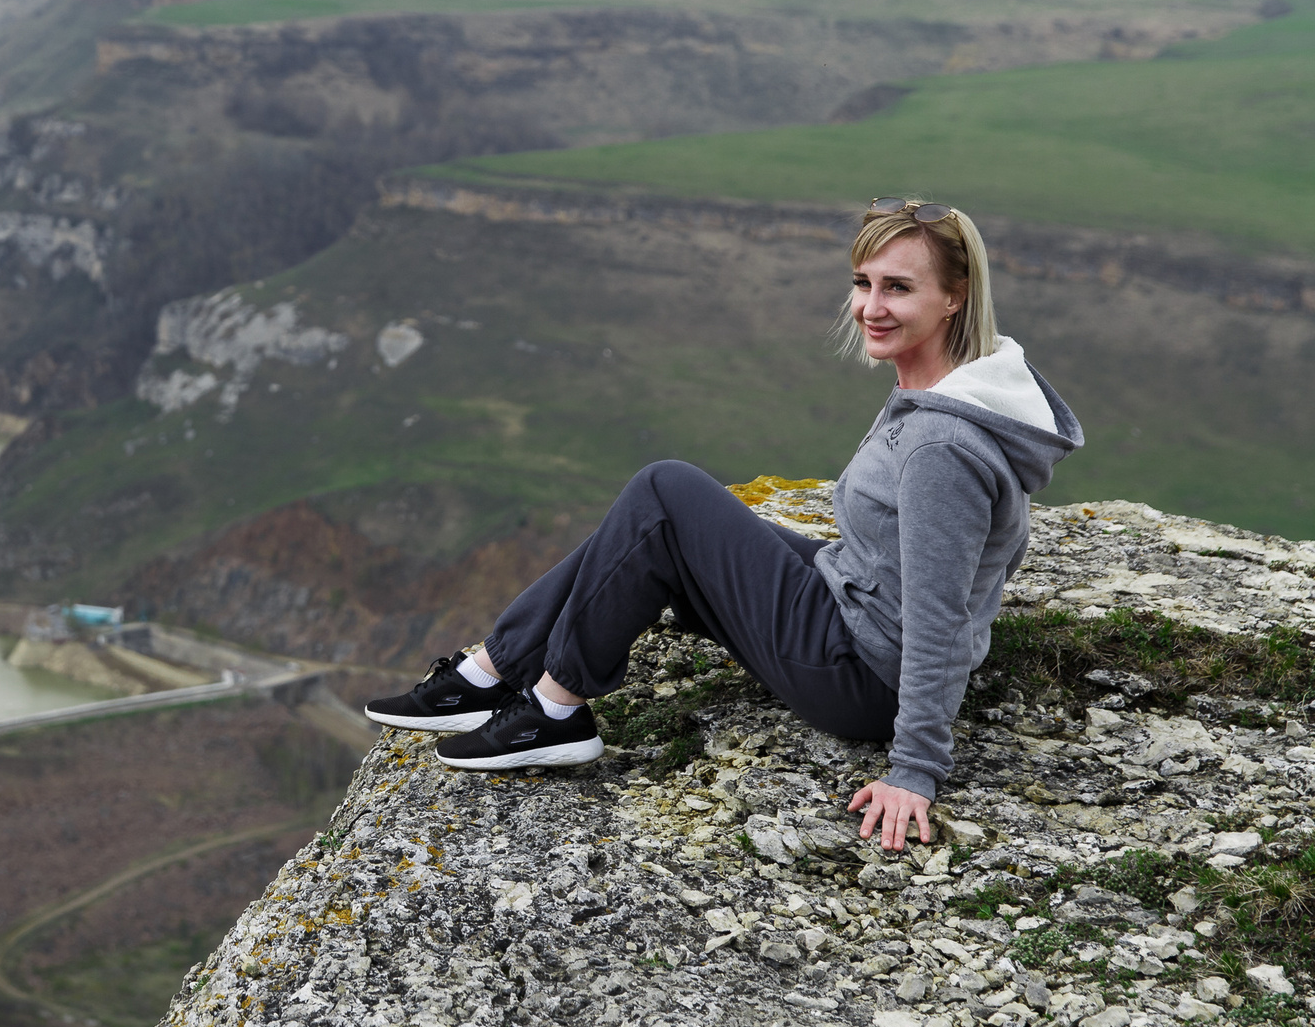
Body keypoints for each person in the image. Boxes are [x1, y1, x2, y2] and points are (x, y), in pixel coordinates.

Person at [364, 198, 1081, 853]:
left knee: (666, 488)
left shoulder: (938, 448)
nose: (869, 305)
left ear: (954, 297)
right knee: (657, 518)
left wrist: (915, 769)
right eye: (863, 282)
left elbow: (937, 613)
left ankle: (552, 711)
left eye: (898, 286)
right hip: (850, 607)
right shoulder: (941, 393)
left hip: (862, 673)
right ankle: (490, 671)